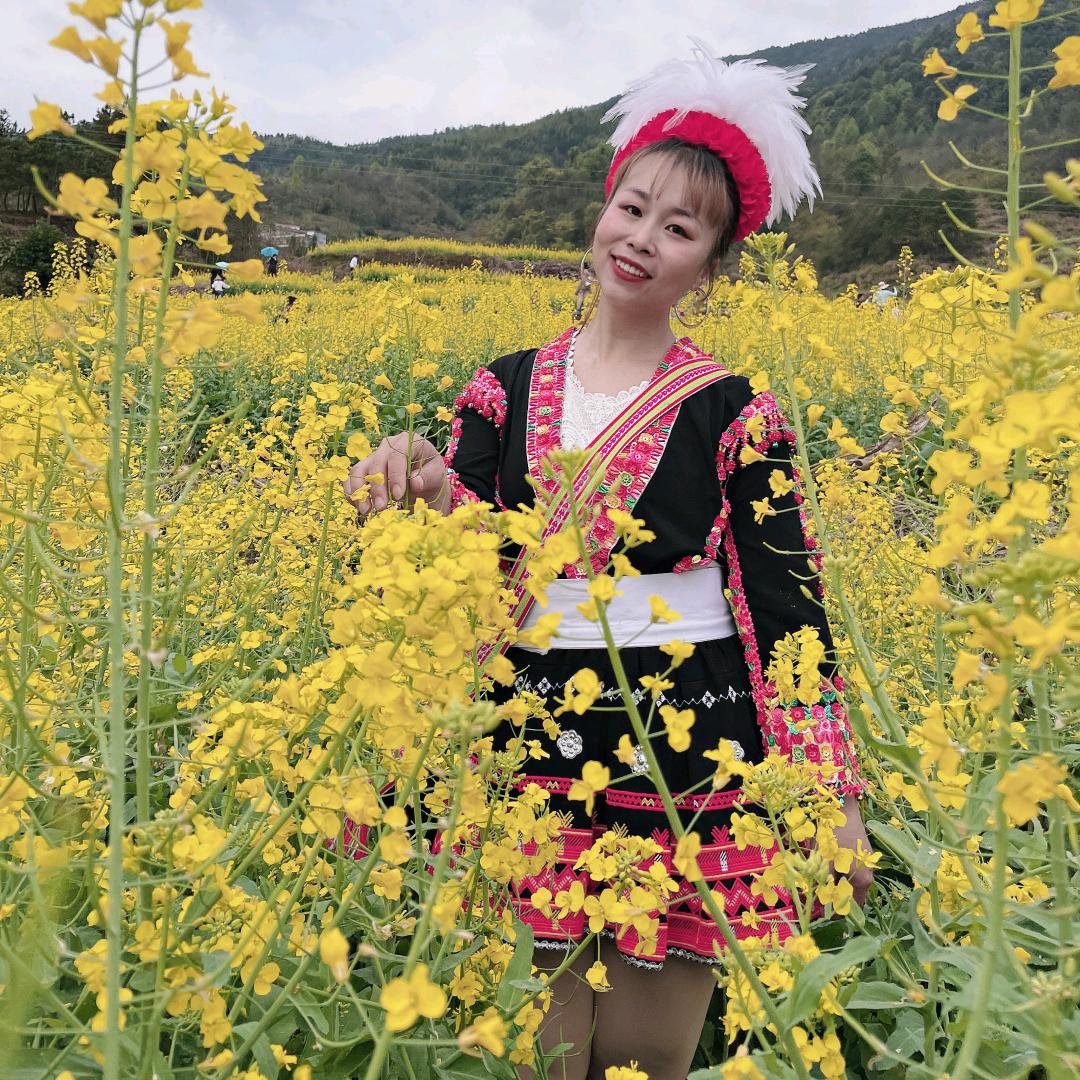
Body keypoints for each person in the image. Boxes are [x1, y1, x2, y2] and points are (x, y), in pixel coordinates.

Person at [345, 40, 872, 1080]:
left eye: (680, 228)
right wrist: (424, 485)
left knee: (643, 1057)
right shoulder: (503, 386)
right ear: (602, 212)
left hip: (688, 755)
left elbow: (787, 612)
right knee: (534, 1047)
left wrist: (832, 797)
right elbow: (478, 547)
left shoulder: (737, 411)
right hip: (524, 741)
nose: (642, 238)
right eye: (632, 207)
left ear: (711, 267)